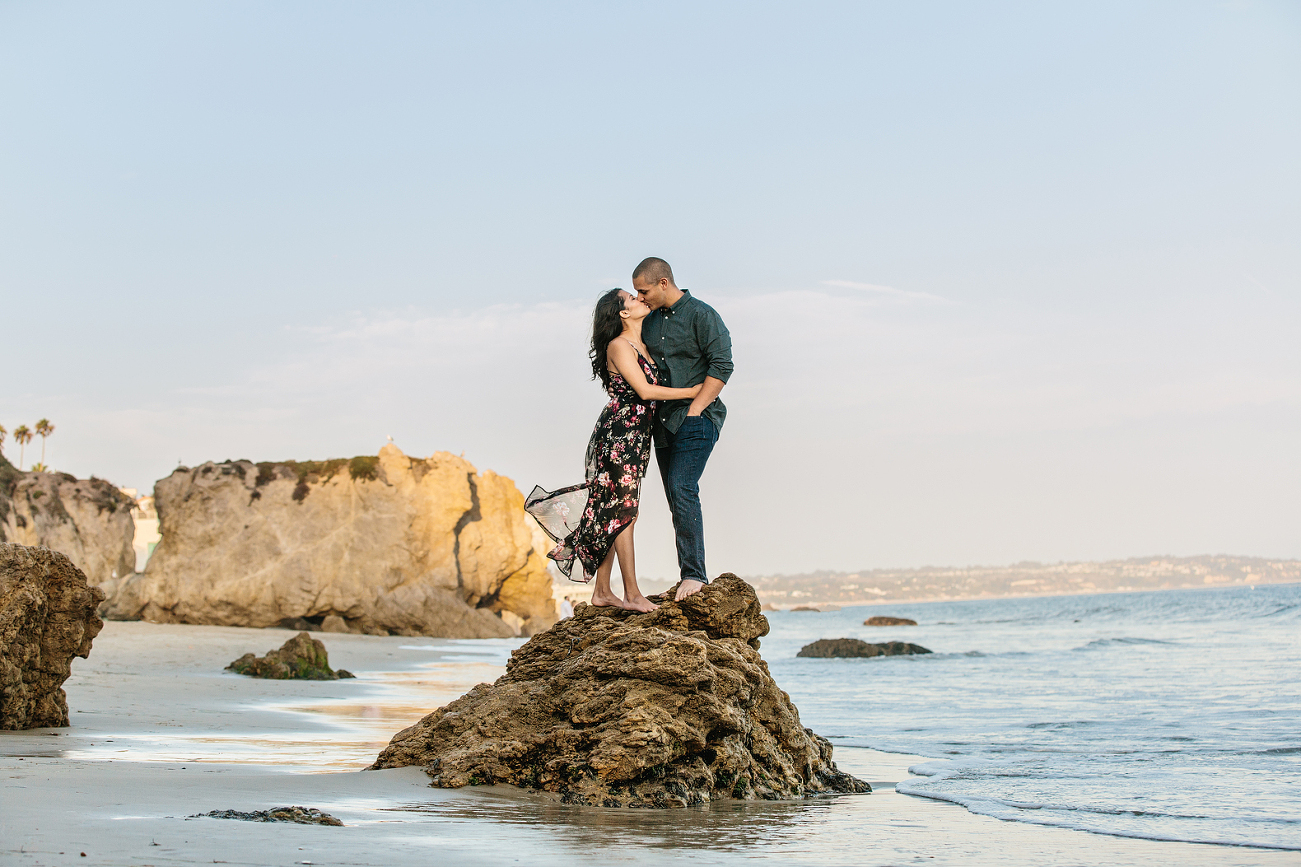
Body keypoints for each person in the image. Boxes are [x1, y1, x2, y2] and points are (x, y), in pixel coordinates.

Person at [526, 288, 703, 611]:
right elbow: (645, 390)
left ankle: (603, 592)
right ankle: (632, 593)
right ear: (623, 313)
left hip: (636, 437)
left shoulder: (642, 344)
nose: (640, 299)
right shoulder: (619, 346)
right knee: (624, 513)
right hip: (619, 435)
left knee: (614, 512)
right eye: (632, 299)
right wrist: (694, 391)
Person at [632, 257, 733, 602]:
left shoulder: (702, 315)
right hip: (660, 424)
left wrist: (695, 409)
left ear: (663, 283)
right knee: (676, 498)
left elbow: (723, 365)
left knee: (682, 485)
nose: (640, 298)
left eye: (643, 291)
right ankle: (687, 573)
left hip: (698, 417)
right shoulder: (649, 321)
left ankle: (695, 574)